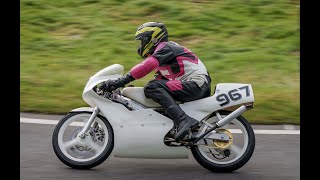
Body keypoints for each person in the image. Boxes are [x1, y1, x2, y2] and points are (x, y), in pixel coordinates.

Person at [101, 22, 211, 141]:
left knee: (152, 87)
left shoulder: (166, 47)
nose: (140, 45)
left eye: (142, 40)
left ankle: (183, 120)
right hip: (194, 85)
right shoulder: (165, 56)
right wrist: (127, 94)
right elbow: (158, 82)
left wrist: (120, 81)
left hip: (197, 85)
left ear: (153, 39)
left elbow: (146, 67)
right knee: (152, 90)